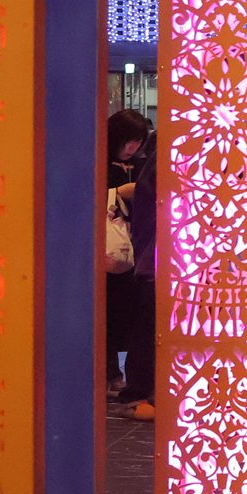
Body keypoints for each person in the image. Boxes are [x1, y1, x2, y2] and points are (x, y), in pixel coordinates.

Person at [104, 108, 150, 396]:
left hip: (134, 248)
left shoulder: (140, 166)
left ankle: (123, 376)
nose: (133, 147)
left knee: (128, 315)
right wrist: (119, 192)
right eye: (129, 140)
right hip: (108, 250)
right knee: (106, 314)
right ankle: (110, 373)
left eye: (138, 141)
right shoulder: (99, 163)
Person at [117, 130, 157, 421]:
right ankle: (136, 394)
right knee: (149, 325)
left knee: (152, 325)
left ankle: (144, 391)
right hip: (161, 258)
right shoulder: (165, 164)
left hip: (168, 258)